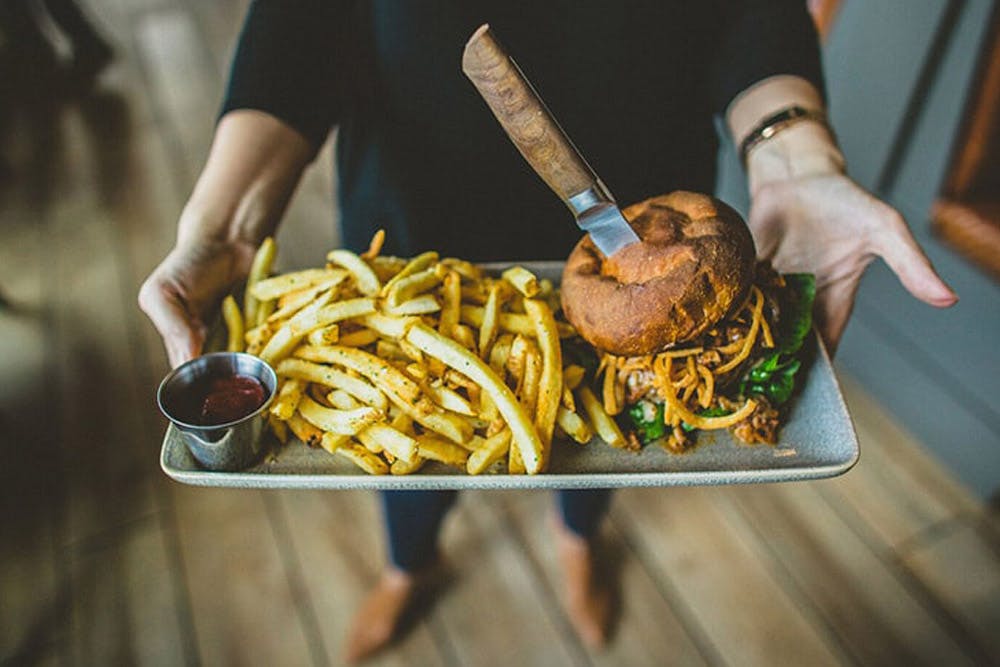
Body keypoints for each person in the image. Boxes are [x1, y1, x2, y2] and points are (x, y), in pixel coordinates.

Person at [139, 2, 957, 661]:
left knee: (610, 432)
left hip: (647, 230)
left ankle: (578, 541)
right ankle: (408, 566)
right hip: (409, 240)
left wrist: (795, 157)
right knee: (403, 451)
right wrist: (226, 223)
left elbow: (749, 12)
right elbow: (302, 27)